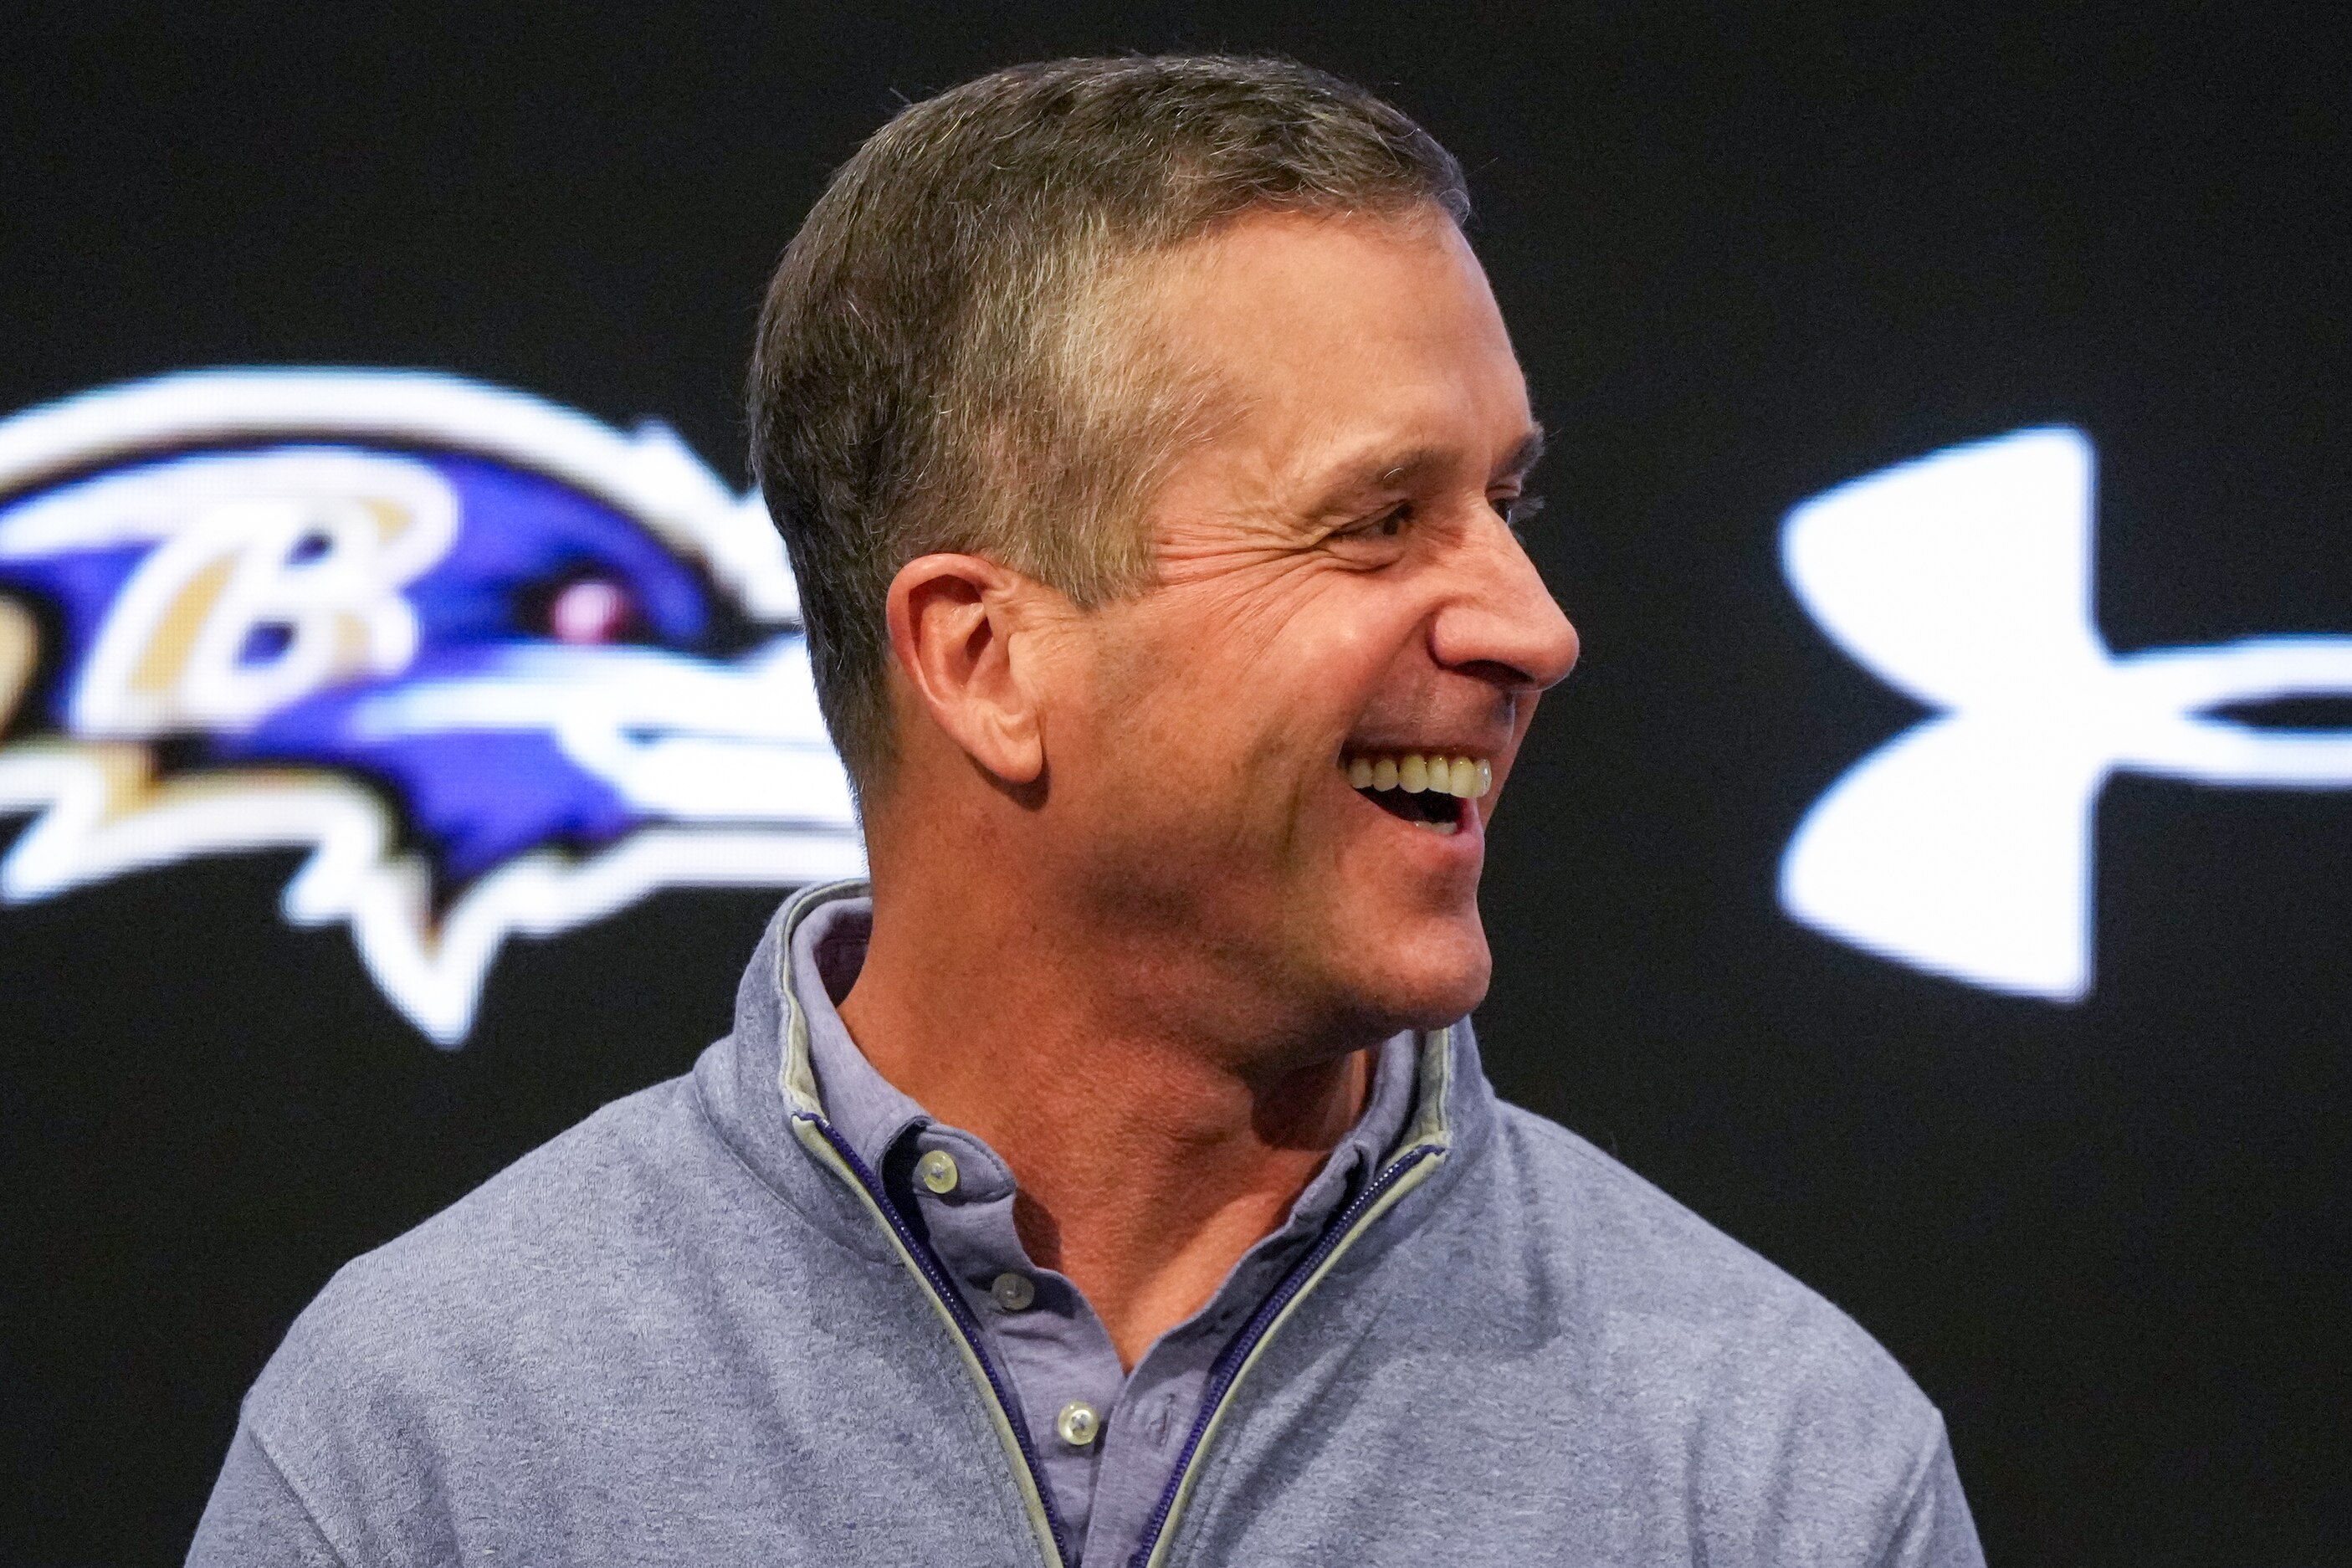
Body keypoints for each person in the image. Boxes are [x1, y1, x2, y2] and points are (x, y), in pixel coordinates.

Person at [189, 54, 1983, 1567]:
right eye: (1375, 521)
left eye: (1503, 504)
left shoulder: (1775, 1467)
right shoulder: (432, 1439)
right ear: (985, 658)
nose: (1533, 627)